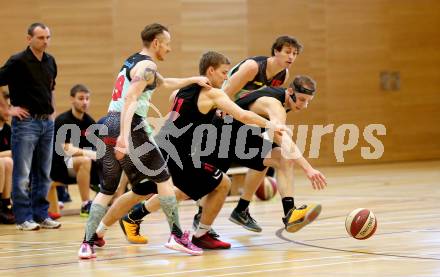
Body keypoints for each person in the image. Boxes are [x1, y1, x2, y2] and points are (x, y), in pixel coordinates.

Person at [97, 51, 286, 250]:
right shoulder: (213, 94)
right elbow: (243, 115)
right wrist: (271, 124)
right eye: (223, 72)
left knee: (141, 192)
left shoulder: (183, 89)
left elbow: (174, 104)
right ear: (210, 71)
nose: (226, 77)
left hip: (160, 148)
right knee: (222, 183)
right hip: (179, 158)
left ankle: (99, 231)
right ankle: (200, 234)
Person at [78, 23, 211, 259]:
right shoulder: (148, 65)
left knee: (107, 189)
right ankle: (177, 236)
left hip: (108, 121)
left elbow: (165, 82)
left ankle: (88, 242)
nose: (169, 49)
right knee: (164, 178)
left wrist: (194, 79)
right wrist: (124, 136)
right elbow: (131, 98)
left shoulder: (134, 62)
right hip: (129, 125)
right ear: (157, 43)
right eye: (167, 44)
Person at [199, 35, 304, 232]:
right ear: (276, 51)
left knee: (270, 156)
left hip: (242, 119)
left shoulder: (283, 74)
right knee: (213, 175)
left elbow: (259, 98)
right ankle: (199, 217)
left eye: (295, 54)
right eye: (288, 52)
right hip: (221, 114)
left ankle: (244, 209)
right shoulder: (253, 67)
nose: (291, 57)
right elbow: (226, 90)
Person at [204, 75, 327, 234]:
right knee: (199, 188)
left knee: (278, 158)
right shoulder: (275, 105)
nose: (304, 106)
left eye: (308, 101)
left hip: (240, 138)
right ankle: (200, 224)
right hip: (220, 138)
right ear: (290, 91)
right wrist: (308, 169)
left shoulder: (281, 100)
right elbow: (282, 138)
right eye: (302, 99)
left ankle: (256, 211)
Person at [0, 22, 61, 231]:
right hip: (26, 123)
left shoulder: (50, 61)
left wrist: (53, 110)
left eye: (47, 37)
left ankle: (41, 214)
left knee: (43, 172)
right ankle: (23, 217)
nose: (45, 41)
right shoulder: (17, 61)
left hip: (47, 122)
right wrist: (8, 111)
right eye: (41, 37)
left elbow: (51, 88)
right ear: (29, 39)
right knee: (22, 172)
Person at [51, 84, 100, 217]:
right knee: (84, 160)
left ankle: (112, 199)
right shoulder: (62, 120)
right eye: (81, 98)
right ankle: (85, 204)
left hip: (84, 163)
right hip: (60, 166)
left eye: (87, 99)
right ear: (72, 99)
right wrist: (90, 153)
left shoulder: (89, 121)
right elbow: (66, 149)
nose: (85, 102)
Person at [0, 89, 15, 224]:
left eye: (10, 107)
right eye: (6, 107)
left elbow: (13, 152)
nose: (8, 111)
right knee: (3, 162)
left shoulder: (8, 129)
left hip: (5, 166)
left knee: (7, 162)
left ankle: (5, 204)